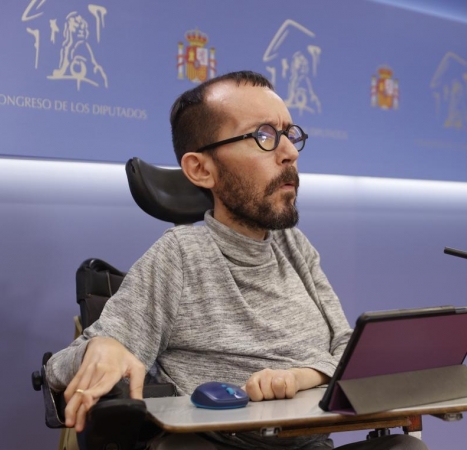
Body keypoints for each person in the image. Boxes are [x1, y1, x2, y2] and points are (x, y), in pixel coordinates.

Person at [45, 70, 428, 450]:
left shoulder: (294, 246)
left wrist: (299, 376)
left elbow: (348, 351)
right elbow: (57, 368)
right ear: (201, 169)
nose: (290, 152)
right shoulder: (180, 254)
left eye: (289, 134)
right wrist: (105, 346)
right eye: (264, 136)